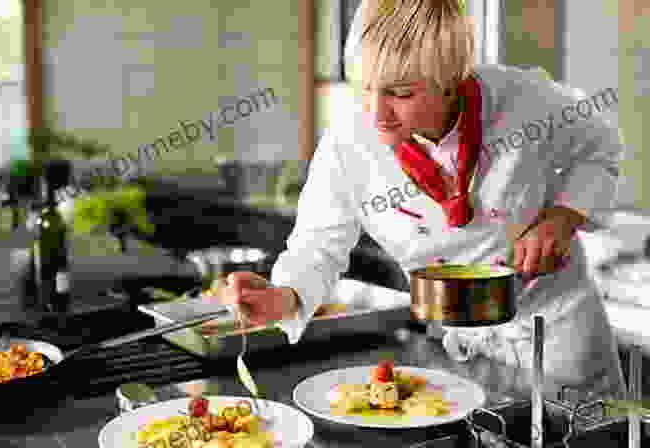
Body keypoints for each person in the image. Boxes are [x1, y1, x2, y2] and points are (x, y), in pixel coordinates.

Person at [221, 0, 627, 398]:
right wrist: (283, 296)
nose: (377, 114)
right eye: (365, 88)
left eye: (400, 93)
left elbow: (602, 147)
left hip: (555, 332)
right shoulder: (349, 142)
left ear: (450, 79)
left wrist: (562, 217)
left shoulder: (527, 102)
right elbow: (316, 245)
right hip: (453, 344)